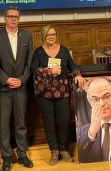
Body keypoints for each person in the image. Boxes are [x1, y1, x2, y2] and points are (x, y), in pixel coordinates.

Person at [30, 24, 83, 166]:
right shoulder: (39, 52)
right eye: (48, 35)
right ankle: (54, 150)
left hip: (62, 91)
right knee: (49, 122)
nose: (51, 37)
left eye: (53, 34)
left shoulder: (64, 50)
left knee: (64, 121)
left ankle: (64, 149)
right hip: (45, 93)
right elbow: (34, 70)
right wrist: (50, 71)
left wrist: (78, 75)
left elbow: (72, 66)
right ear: (44, 36)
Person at [0, 7, 34, 171]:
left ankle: (22, 154)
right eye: (10, 16)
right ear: (5, 18)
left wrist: (22, 80)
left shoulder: (27, 35)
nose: (13, 19)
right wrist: (5, 79)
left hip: (21, 87)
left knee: (21, 123)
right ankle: (6, 157)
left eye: (16, 17)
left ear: (19, 19)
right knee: (3, 125)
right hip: (4, 87)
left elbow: (30, 62)